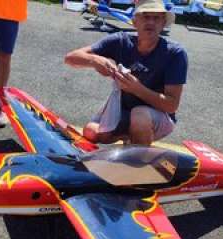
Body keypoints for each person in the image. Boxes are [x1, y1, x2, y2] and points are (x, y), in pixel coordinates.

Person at [65, 0, 188, 145]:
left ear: (163, 24)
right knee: (91, 132)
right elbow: (70, 58)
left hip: (158, 116)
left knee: (139, 115)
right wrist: (94, 60)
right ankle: (128, 137)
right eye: (146, 16)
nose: (151, 22)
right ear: (135, 22)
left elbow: (171, 105)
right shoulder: (121, 41)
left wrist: (137, 89)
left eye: (156, 18)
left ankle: (140, 162)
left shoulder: (174, 53)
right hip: (123, 110)